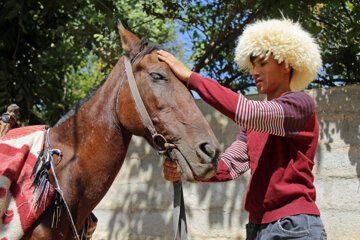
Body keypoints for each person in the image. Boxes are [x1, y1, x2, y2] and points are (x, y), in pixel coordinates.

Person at [157, 18, 327, 239]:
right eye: (253, 65)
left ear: (286, 64)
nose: (255, 71)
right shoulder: (254, 128)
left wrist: (191, 78)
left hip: (294, 226)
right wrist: (185, 169)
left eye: (262, 63)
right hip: (257, 228)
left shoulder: (300, 105)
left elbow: (250, 113)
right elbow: (227, 166)